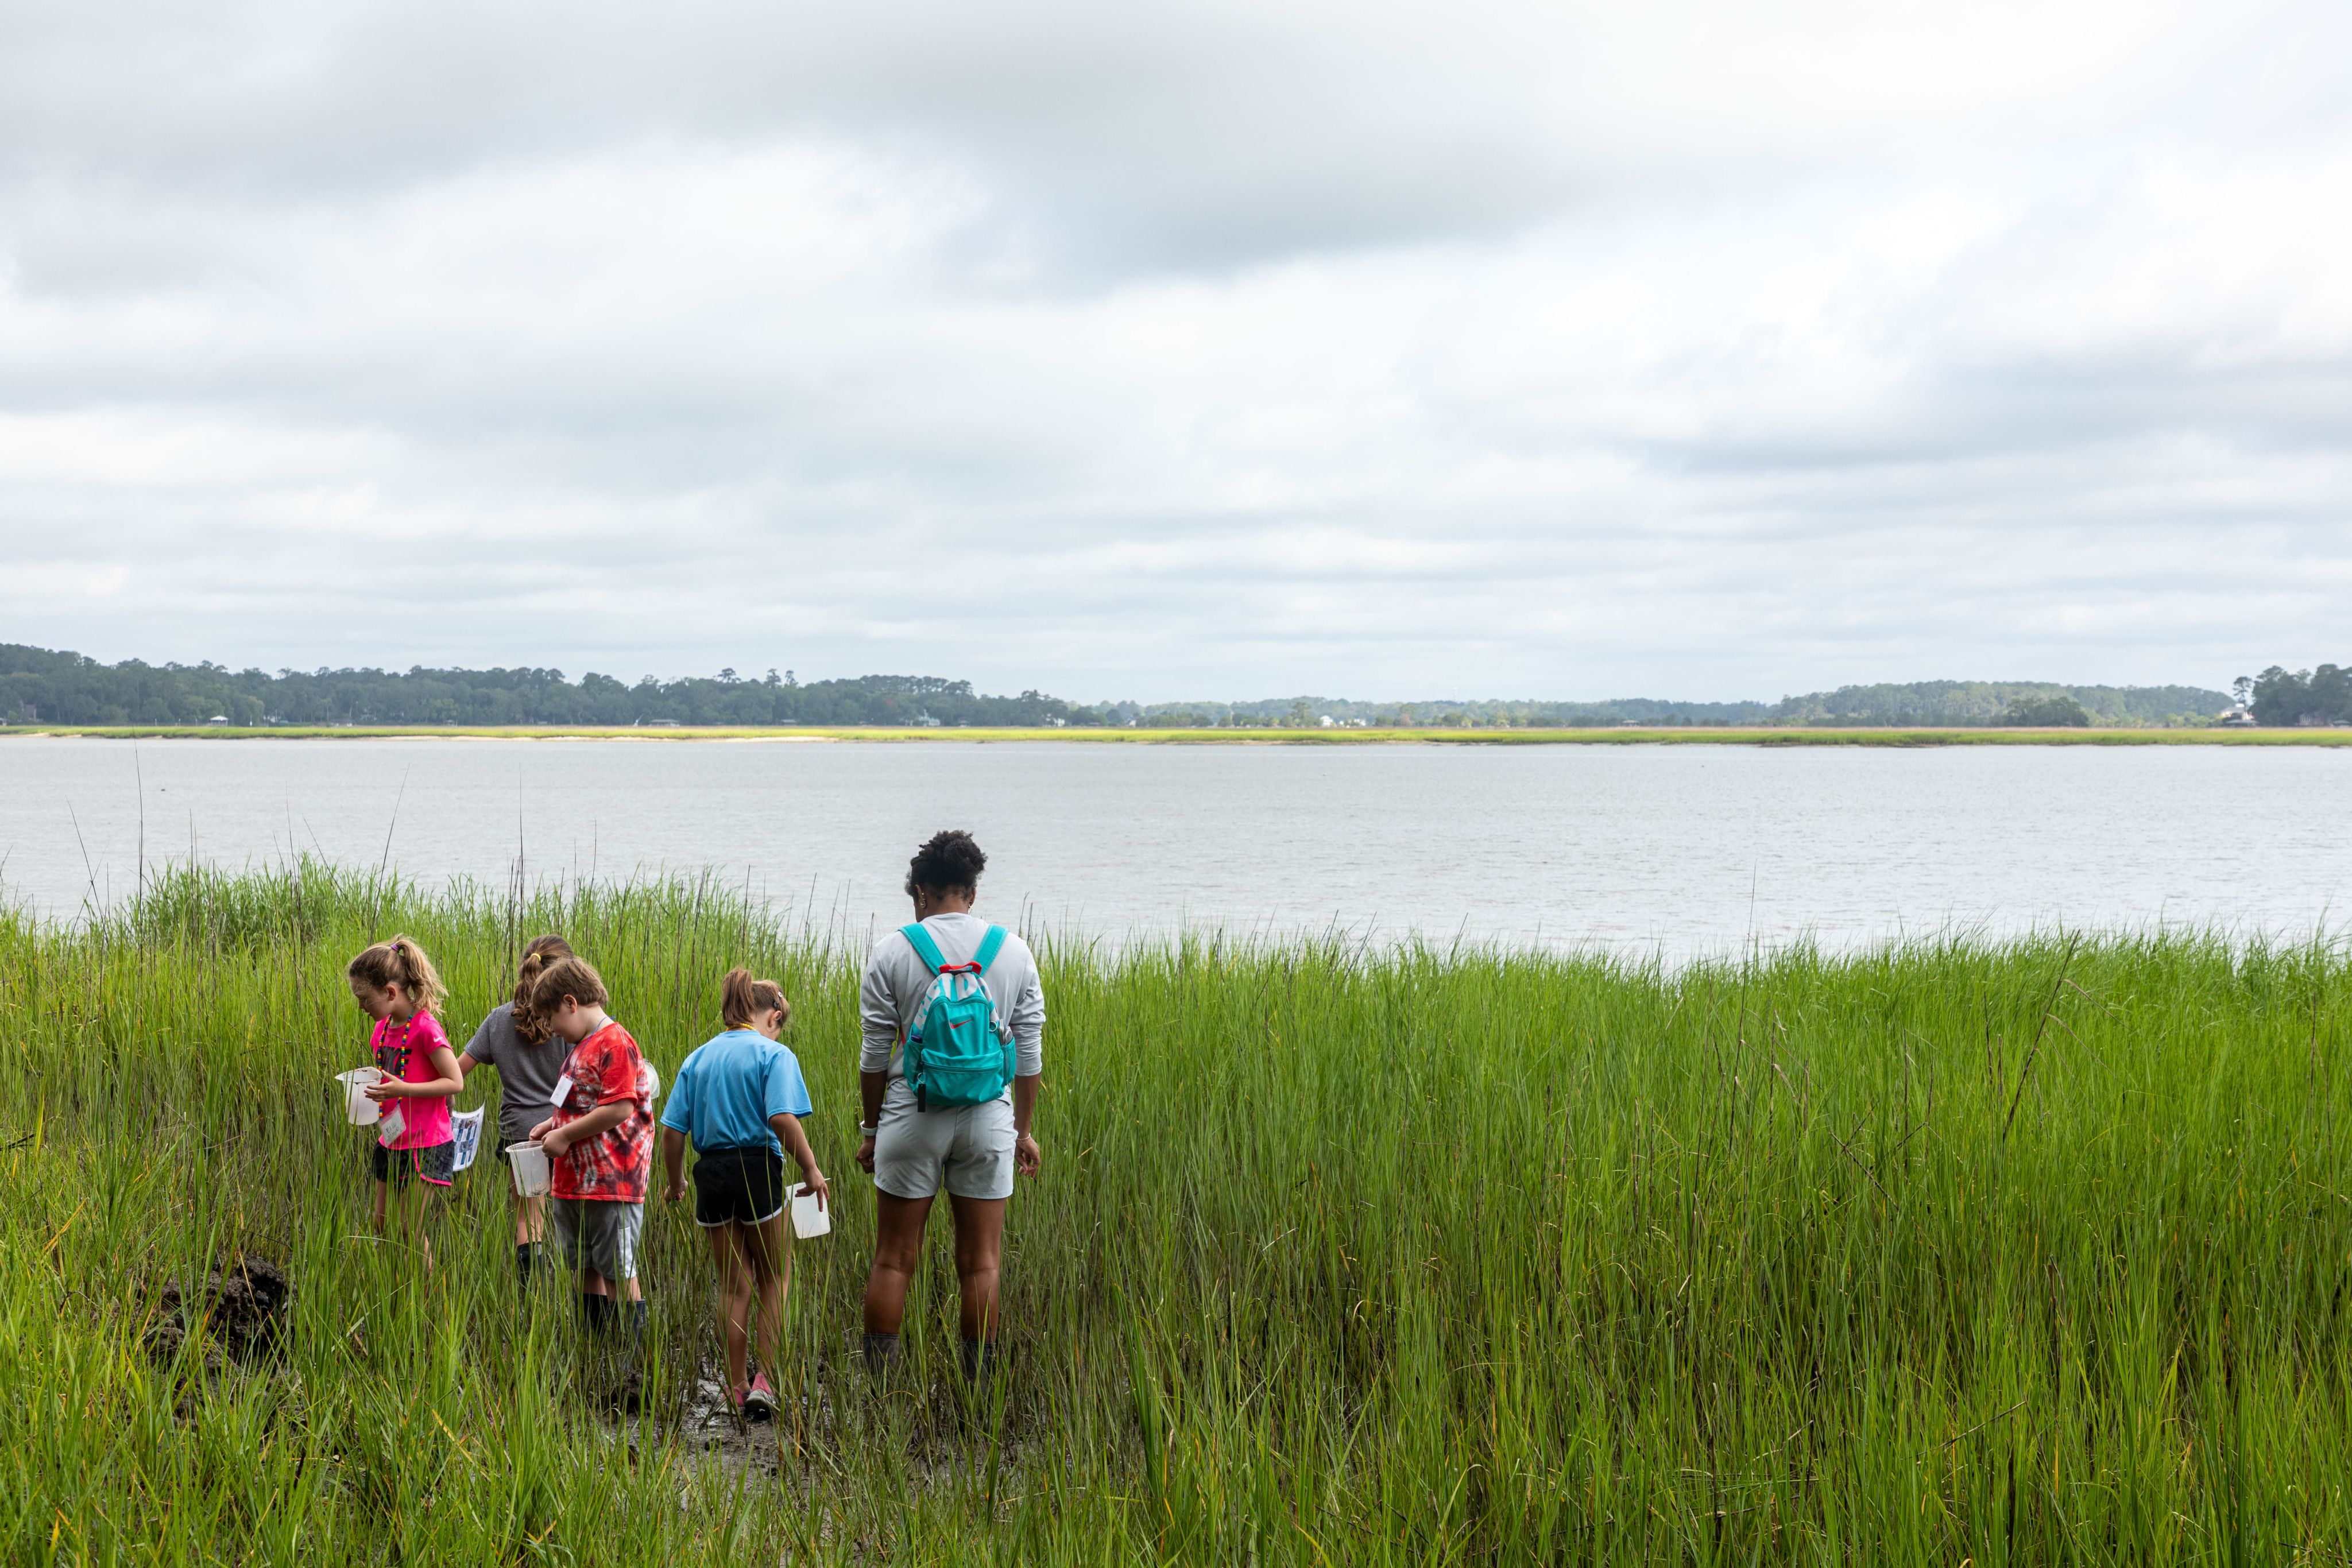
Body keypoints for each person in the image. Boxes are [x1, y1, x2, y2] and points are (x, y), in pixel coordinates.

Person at [856, 830, 1043, 1383]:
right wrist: (1021, 1131)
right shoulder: (1012, 951)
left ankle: (881, 1396)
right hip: (989, 1119)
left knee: (893, 1258)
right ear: (973, 891)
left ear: (920, 891)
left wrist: (871, 1131)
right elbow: (1029, 1056)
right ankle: (976, 1396)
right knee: (981, 1263)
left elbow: (873, 1056)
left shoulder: (893, 950)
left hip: (910, 1113)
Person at [659, 967, 831, 1420]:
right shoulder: (772, 1055)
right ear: (774, 1015)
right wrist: (811, 1168)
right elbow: (781, 1119)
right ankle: (766, 1382)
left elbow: (673, 1132)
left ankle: (734, 1387)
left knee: (735, 1286)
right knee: (776, 1276)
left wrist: (677, 1182)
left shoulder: (697, 1058)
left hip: (709, 1172)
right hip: (756, 1167)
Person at [525, 954, 656, 1407]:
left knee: (619, 1269)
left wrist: (564, 1133)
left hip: (612, 1181)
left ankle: (631, 1374)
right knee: (585, 1268)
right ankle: (597, 1361)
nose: (552, 1030)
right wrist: (551, 1125)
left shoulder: (615, 1042)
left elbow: (620, 1107)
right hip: (574, 1182)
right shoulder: (580, 1047)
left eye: (552, 1020)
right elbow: (580, 1104)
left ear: (571, 1002)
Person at [456, 935, 577, 1290]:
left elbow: (457, 1070)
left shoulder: (498, 1020)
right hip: (565, 1130)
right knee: (572, 1217)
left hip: (519, 1136)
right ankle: (566, 1295)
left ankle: (532, 1299)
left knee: (528, 1219)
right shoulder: (571, 1020)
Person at [346, 935, 464, 1268]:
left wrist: (403, 1089)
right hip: (392, 1139)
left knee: (410, 1229)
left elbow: (455, 1082)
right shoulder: (381, 1030)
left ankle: (427, 1303)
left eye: (364, 998)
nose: (360, 1006)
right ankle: (397, 1293)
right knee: (382, 1225)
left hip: (426, 1143)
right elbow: (390, 1079)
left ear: (390, 993)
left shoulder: (426, 1028)